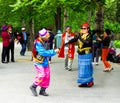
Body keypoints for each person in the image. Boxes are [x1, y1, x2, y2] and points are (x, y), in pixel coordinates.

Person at [30, 28, 59, 96]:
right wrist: (54, 51)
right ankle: (33, 86)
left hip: (45, 61)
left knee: (47, 76)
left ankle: (42, 90)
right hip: (39, 62)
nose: (49, 36)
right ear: (43, 36)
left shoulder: (45, 40)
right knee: (42, 75)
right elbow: (43, 53)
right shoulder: (38, 42)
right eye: (47, 35)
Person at [65, 22, 94, 87]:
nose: (83, 29)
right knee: (81, 68)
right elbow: (75, 39)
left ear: (88, 29)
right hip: (81, 54)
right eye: (82, 28)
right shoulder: (80, 36)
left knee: (87, 68)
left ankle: (90, 81)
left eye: (84, 28)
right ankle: (83, 82)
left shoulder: (89, 36)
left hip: (87, 54)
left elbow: (87, 43)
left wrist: (79, 38)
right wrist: (68, 42)